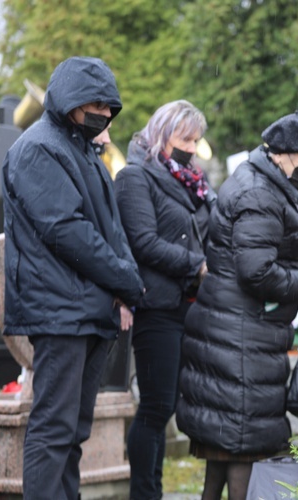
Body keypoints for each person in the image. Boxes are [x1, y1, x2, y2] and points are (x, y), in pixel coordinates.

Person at [176, 111, 298, 500]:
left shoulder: (268, 183)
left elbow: (267, 250)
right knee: (241, 445)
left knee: (225, 446)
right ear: (283, 154)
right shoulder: (259, 193)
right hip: (239, 334)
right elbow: (256, 272)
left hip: (234, 329)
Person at [1, 56, 144, 500]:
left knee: (73, 431)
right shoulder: (40, 148)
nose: (102, 111)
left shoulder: (79, 148)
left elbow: (110, 229)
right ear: (68, 101)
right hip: (60, 309)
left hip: (84, 307)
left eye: (108, 104)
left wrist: (124, 286)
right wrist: (126, 280)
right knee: (54, 429)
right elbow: (68, 232)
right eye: (93, 102)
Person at [114, 100, 215, 499]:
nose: (192, 146)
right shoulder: (135, 177)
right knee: (155, 407)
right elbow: (143, 243)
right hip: (156, 305)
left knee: (165, 407)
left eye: (196, 139)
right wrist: (199, 265)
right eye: (185, 138)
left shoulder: (191, 181)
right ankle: (144, 493)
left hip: (187, 305)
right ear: (162, 134)